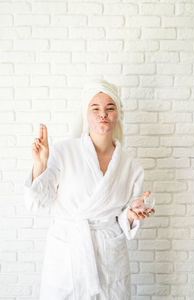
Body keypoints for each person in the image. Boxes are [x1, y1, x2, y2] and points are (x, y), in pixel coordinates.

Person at [24, 79, 155, 300]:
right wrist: (40, 164)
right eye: (95, 108)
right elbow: (37, 202)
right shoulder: (63, 151)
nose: (102, 114)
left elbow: (124, 218)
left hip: (109, 257)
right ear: (86, 113)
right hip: (67, 254)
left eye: (110, 108)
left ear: (118, 113)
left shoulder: (131, 166)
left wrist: (132, 215)